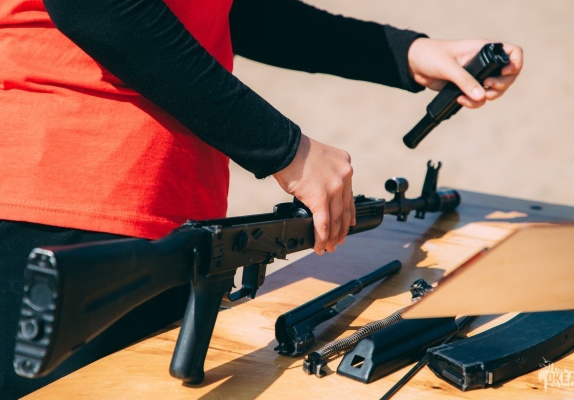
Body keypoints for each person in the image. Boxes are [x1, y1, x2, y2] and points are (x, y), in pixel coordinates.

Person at [0, 0, 523, 397]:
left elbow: (232, 10)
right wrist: (287, 150)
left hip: (153, 211)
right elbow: (99, 8)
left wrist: (403, 52)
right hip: (62, 199)